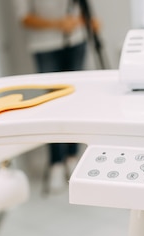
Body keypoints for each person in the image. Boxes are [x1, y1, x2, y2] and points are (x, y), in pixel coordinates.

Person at [13, 0, 99, 194]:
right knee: (52, 104)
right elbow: (25, 18)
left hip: (76, 40)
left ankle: (72, 156)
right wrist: (58, 24)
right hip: (45, 45)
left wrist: (86, 20)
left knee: (74, 101)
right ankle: (56, 162)